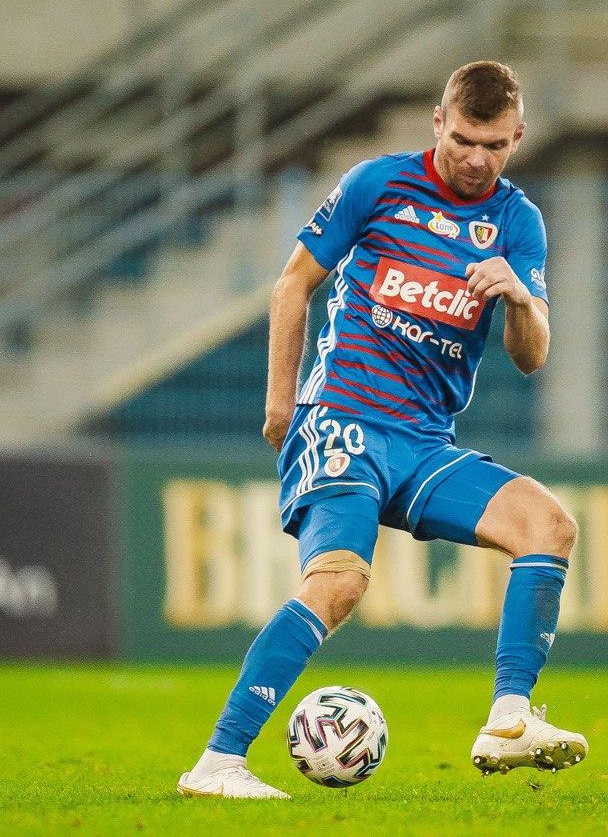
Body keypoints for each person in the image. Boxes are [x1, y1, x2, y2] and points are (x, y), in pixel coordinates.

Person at [178, 61, 586, 799]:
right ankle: (219, 762)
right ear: (438, 122)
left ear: (518, 138)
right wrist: (281, 405)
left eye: (494, 146)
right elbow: (293, 283)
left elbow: (532, 357)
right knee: (339, 582)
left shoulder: (519, 222)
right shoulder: (378, 184)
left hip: (425, 443)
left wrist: (520, 300)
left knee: (549, 525)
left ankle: (508, 719)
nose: (476, 159)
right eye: (463, 140)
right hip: (344, 418)